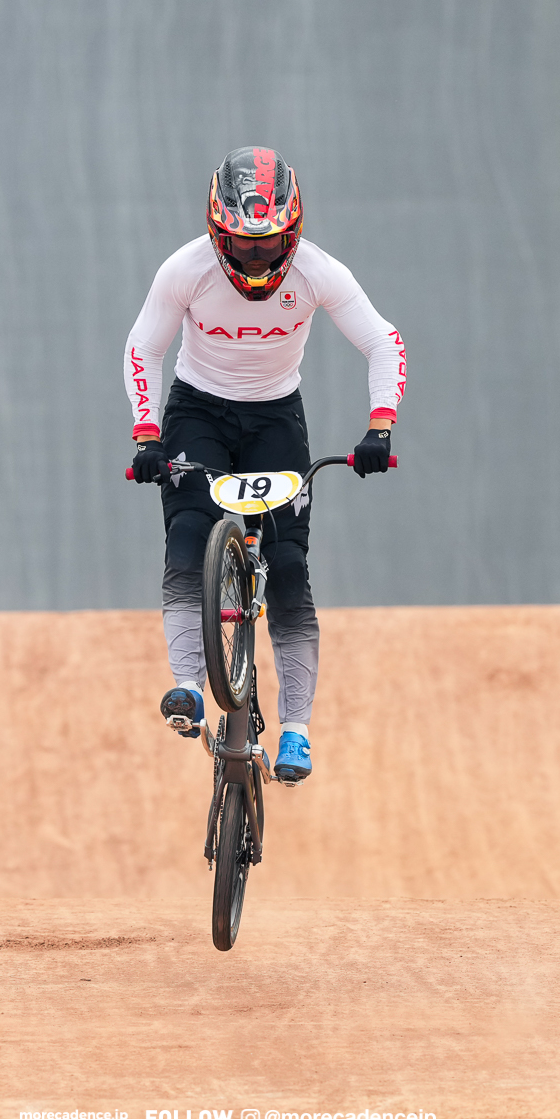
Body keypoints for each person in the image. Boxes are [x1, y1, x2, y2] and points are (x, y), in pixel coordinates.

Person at [123, 147, 406, 785]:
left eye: (270, 245)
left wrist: (379, 426)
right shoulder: (185, 269)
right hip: (198, 411)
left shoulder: (318, 272)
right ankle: (189, 686)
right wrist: (147, 438)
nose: (257, 259)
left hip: (277, 417)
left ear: (294, 229)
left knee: (288, 571)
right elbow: (144, 347)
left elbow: (382, 340)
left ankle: (296, 731)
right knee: (189, 539)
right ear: (217, 232)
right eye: (242, 246)